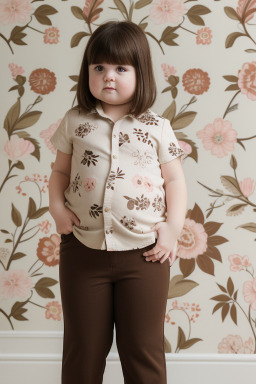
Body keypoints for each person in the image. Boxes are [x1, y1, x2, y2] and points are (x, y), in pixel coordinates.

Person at [49, 20, 187, 384]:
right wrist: (57, 208)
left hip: (145, 255)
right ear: (88, 73)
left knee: (143, 350)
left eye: (121, 68)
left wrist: (172, 230)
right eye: (99, 68)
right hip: (82, 251)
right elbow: (60, 173)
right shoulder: (75, 120)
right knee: (82, 349)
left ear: (141, 74)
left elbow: (175, 180)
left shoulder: (157, 126)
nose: (109, 77)